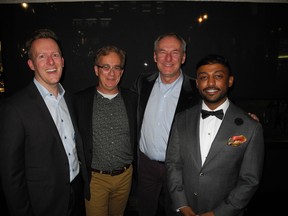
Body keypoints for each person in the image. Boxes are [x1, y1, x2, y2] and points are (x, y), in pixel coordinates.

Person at [0, 29, 89, 216]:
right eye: (42, 56)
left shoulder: (70, 99)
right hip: (43, 204)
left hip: (76, 193)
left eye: (55, 55)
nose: (51, 62)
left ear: (63, 61)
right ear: (31, 64)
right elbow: (11, 176)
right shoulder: (14, 108)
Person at [165, 54, 265, 216]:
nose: (210, 83)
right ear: (197, 83)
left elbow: (249, 180)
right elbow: (173, 164)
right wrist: (180, 203)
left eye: (218, 76)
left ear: (230, 81)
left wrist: (219, 213)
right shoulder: (181, 119)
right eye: (204, 77)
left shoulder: (250, 127)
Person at [132, 32, 200, 216]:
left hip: (178, 168)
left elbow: (220, 103)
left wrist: (244, 118)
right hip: (145, 165)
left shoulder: (196, 89)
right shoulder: (142, 82)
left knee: (176, 212)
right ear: (155, 56)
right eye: (162, 52)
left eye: (175, 52)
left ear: (183, 57)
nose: (168, 58)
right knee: (145, 211)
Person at [73, 45, 137, 216]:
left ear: (122, 72)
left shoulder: (132, 99)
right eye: (106, 67)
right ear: (96, 70)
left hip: (125, 177)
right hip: (96, 179)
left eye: (117, 67)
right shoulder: (80, 101)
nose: (112, 73)